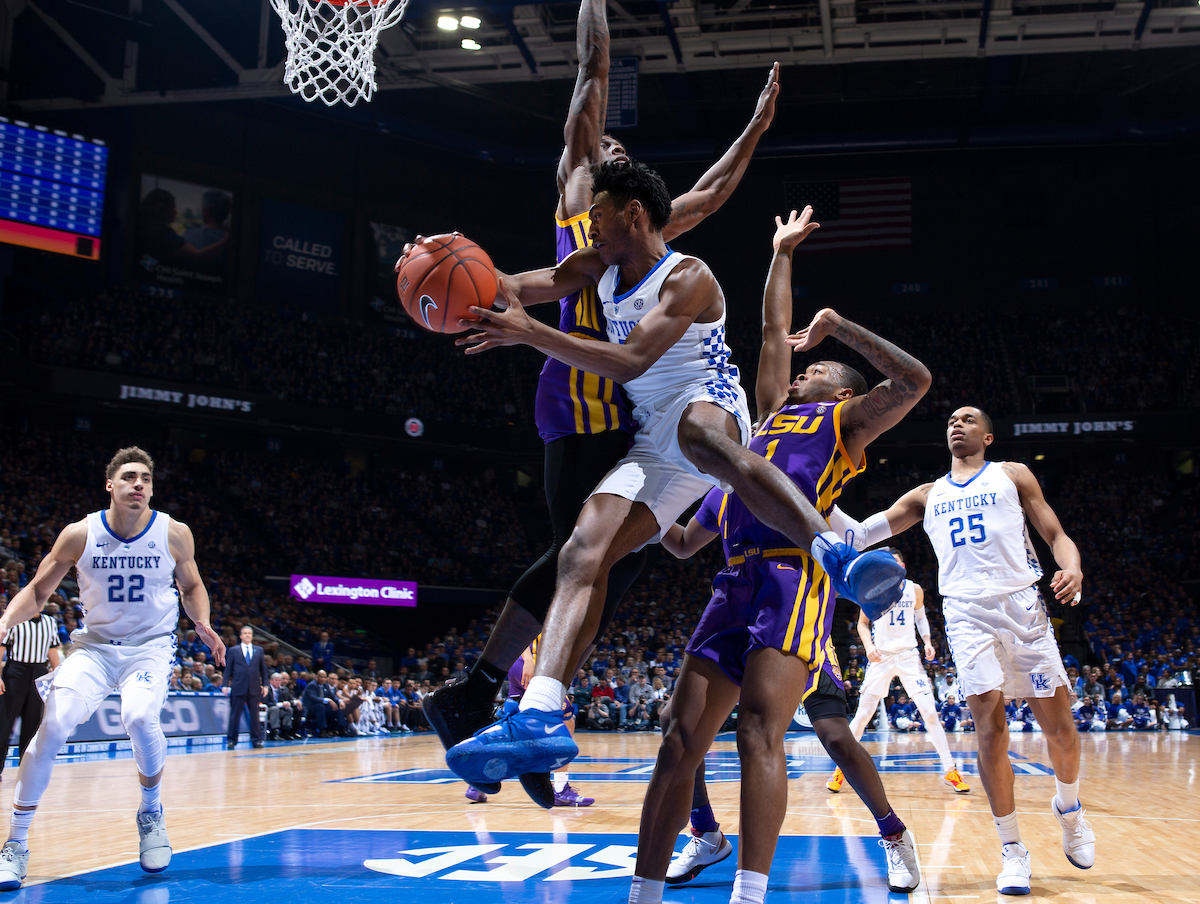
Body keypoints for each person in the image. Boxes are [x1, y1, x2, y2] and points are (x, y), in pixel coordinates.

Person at [443, 175, 919, 802]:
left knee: (699, 435)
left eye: (600, 213)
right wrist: (448, 264)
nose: (590, 223)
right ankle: (539, 712)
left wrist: (529, 333)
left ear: (634, 213)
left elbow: (631, 361)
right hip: (655, 441)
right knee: (584, 549)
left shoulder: (688, 276)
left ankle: (834, 553)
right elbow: (508, 285)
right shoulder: (594, 265)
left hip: (708, 403)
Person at [421, 0, 782, 803]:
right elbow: (592, 77)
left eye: (624, 156)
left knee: (600, 562)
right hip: (577, 394)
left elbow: (713, 193)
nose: (615, 154)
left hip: (628, 404)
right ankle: (494, 697)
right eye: (607, 150)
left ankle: (515, 707)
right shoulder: (582, 198)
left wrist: (756, 127)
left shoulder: (644, 236)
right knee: (584, 555)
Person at [620, 210, 928, 903]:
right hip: (732, 582)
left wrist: (836, 327)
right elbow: (770, 332)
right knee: (678, 737)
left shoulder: (841, 421)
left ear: (842, 394)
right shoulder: (753, 440)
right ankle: (653, 885)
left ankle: (752, 893)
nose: (799, 370)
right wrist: (781, 253)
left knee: (764, 730)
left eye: (813, 369)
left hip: (795, 577)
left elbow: (913, 381)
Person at [833, 406, 1095, 895]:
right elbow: (863, 533)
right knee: (990, 733)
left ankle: (1069, 808)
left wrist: (1072, 567)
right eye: (952, 420)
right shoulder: (927, 494)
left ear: (988, 436)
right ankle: (1012, 849)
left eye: (969, 419)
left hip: (1022, 606)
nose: (957, 424)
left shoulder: (1012, 475)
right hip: (966, 614)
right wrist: (815, 498)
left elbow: (1056, 536)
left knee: (1061, 731)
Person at [0, 447, 226, 891]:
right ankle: (15, 844)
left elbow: (193, 585)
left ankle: (151, 812)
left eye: (145, 478)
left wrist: (202, 621)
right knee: (53, 727)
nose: (138, 483)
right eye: (128, 477)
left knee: (139, 718)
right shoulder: (79, 534)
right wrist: (4, 623)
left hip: (149, 649)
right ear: (110, 484)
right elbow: (38, 591)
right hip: (95, 648)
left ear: (152, 489)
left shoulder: (174, 532)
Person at [827, 549, 969, 793]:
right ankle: (841, 768)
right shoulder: (872, 589)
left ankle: (950, 768)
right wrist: (869, 647)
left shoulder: (914, 589)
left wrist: (927, 641)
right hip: (881, 657)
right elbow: (862, 624)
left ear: (902, 567)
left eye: (894, 562)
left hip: (908, 656)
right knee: (863, 715)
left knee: (930, 713)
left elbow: (921, 618)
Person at [0, 603, 61, 780]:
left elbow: (52, 651)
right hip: (16, 672)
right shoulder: (14, 620)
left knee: (33, 725)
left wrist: (58, 675)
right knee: (4, 723)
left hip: (39, 673)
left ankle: (27, 771)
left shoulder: (50, 622)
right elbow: (1, 648)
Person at [224, 625, 268, 749]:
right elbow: (228, 669)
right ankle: (231, 740)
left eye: (249, 633)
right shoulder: (233, 650)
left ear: (252, 636)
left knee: (255, 715)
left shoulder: (259, 650)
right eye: (245, 633)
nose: (247, 635)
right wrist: (225, 684)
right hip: (238, 686)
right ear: (240, 636)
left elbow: (263, 669)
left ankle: (256, 740)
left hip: (254, 687)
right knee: (235, 715)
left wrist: (265, 685)